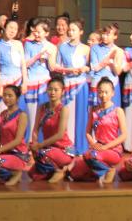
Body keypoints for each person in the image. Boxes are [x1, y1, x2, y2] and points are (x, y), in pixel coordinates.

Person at [71, 78, 128, 184]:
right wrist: (93, 144)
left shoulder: (118, 111)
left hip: (113, 149)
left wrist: (106, 147)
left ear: (112, 93)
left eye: (106, 92)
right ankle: (97, 172)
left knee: (91, 156)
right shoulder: (93, 110)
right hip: (98, 148)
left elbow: (124, 135)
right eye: (100, 92)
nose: (103, 95)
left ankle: (108, 170)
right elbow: (87, 132)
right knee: (75, 172)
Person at [29, 77, 75, 183]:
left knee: (42, 152)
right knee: (32, 174)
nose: (52, 92)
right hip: (48, 148)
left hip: (63, 150)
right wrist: (34, 144)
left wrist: (39, 146)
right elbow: (35, 129)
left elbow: (60, 135)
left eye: (56, 90)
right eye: (50, 89)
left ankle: (62, 169)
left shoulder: (63, 109)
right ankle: (54, 169)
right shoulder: (42, 107)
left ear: (62, 91)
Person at [55, 20, 91, 154]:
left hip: (81, 85)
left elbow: (90, 67)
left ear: (81, 32)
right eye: (69, 29)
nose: (70, 32)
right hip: (67, 83)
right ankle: (67, 144)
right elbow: (57, 67)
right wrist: (69, 70)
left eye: (74, 30)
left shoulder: (86, 48)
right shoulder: (62, 47)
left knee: (81, 115)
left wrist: (86, 68)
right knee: (67, 115)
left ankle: (80, 146)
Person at [0, 85, 29, 186]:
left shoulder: (22, 115)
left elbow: (18, 140)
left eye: (10, 96)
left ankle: (15, 173)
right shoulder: (2, 114)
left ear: (17, 98)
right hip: (5, 153)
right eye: (5, 95)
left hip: (18, 154)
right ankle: (9, 173)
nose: (6, 98)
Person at [0, 20, 27, 138]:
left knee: (18, 115)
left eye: (15, 29)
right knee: (4, 115)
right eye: (10, 27)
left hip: (18, 83)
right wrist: (0, 87)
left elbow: (23, 64)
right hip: (5, 83)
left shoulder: (19, 44)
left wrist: (25, 83)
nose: (12, 31)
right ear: (4, 28)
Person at [24, 19, 57, 138]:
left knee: (44, 112)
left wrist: (49, 56)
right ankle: (28, 140)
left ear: (46, 33)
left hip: (44, 82)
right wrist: (37, 56)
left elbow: (52, 68)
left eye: (39, 32)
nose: (36, 34)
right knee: (30, 112)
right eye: (35, 32)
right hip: (31, 82)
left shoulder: (51, 47)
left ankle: (42, 140)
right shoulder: (28, 44)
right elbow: (25, 64)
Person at [89, 25, 124, 109]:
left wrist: (111, 64)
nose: (104, 36)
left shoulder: (118, 50)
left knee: (113, 111)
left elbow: (118, 72)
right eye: (103, 34)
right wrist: (108, 59)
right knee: (96, 110)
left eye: (108, 34)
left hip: (113, 83)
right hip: (97, 83)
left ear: (115, 36)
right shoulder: (95, 48)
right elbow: (95, 68)